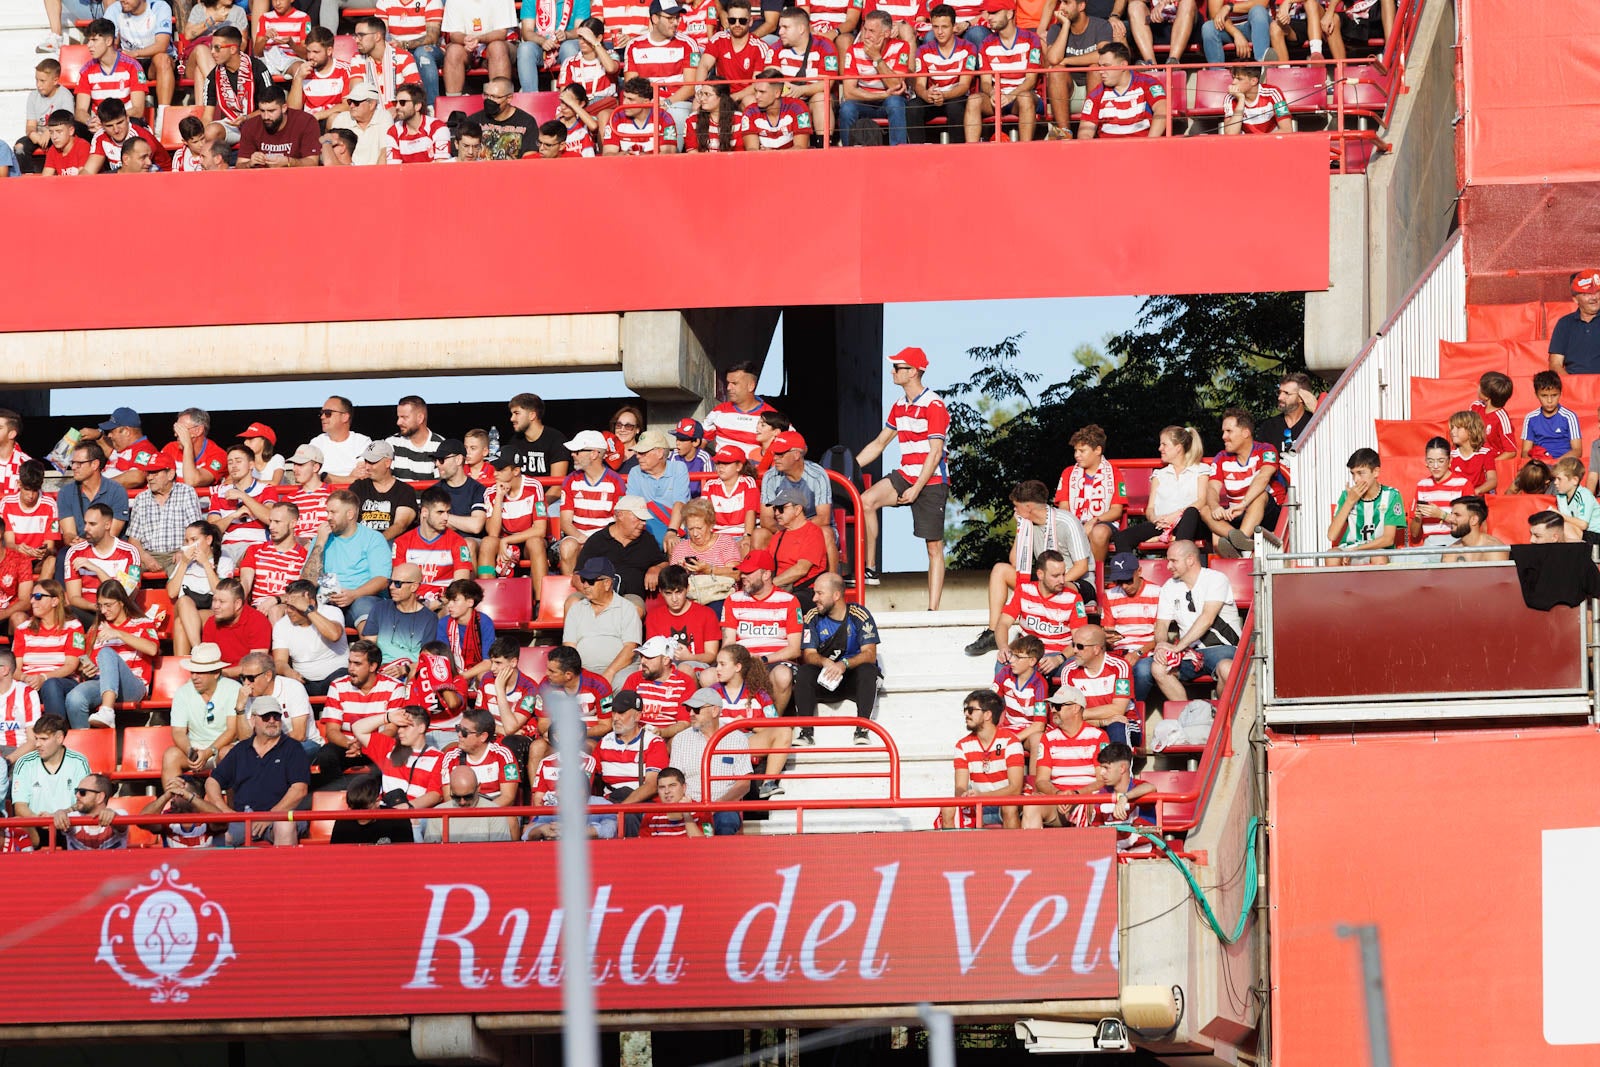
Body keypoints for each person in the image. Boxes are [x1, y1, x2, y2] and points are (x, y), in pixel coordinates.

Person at [856, 346, 949, 605]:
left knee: (933, 547)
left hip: (931, 480)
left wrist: (916, 489)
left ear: (914, 372)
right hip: (905, 473)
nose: (893, 371)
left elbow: (935, 453)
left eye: (898, 367)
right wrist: (848, 466)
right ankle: (871, 568)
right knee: (866, 500)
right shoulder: (899, 405)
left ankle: (933, 610)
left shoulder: (934, 404)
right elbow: (879, 443)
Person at [1141, 540, 1240, 708]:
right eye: (1168, 560)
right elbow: (1162, 624)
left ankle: (1223, 719)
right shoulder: (1169, 586)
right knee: (1158, 668)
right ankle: (1188, 715)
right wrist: (1162, 645)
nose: (1168, 566)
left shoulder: (1216, 579)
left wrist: (1178, 648)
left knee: (1226, 668)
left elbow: (1207, 618)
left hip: (1223, 648)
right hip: (1190, 652)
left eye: (1173, 561)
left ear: (1190, 560)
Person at [203, 696, 310, 847]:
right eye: (266, 716)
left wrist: (269, 816)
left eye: (276, 716)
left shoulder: (293, 748)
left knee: (285, 826)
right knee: (219, 834)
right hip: (243, 819)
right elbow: (212, 782)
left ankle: (284, 870)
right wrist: (224, 810)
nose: (272, 720)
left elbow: (299, 790)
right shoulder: (240, 750)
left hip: (280, 817)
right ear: (253, 720)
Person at [793, 573, 879, 747]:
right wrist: (825, 662)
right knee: (804, 672)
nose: (814, 598)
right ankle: (806, 732)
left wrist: (844, 664)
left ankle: (862, 729)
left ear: (836, 595)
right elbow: (808, 654)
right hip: (825, 679)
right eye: (814, 593)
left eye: (819, 593)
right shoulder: (812, 616)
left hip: (852, 680)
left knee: (868, 670)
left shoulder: (859, 614)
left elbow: (870, 653)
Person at [718, 549, 802, 716]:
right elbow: (728, 644)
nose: (743, 576)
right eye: (743, 571)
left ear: (766, 575)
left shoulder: (789, 601)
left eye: (749, 572)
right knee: (707, 677)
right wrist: (739, 662)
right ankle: (726, 723)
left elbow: (794, 649)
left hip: (775, 661)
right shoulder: (733, 600)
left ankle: (772, 723)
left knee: (783, 675)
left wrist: (763, 659)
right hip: (741, 661)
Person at [66, 582, 156, 730]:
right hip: (103, 683)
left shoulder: (143, 623)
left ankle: (107, 711)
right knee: (74, 698)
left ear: (121, 602)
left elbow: (152, 649)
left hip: (133, 686)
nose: (103, 610)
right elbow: (91, 663)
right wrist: (88, 670)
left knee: (107, 652)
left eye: (108, 605)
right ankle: (83, 749)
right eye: (100, 606)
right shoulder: (97, 629)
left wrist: (119, 633)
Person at [1203, 407, 1288, 557]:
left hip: (1269, 513)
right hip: (1237, 514)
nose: (1223, 436)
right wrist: (1215, 507)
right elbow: (1212, 489)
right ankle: (1238, 540)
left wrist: (1244, 504)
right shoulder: (1221, 457)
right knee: (1205, 509)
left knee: (1260, 496)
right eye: (1223, 432)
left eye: (1229, 431)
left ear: (1245, 433)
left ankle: (1240, 546)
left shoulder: (1266, 449)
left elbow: (1263, 477)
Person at [303, 489, 393, 628]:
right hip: (326, 601)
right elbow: (307, 582)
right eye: (327, 512)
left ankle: (367, 650)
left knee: (364, 609)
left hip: (362, 598)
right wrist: (320, 543)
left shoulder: (373, 538)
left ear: (350, 514)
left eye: (333, 512)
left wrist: (354, 594)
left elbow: (382, 580)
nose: (328, 517)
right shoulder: (321, 539)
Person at [1113, 426, 1210, 554]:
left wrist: (1175, 516)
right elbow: (1150, 509)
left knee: (1191, 513)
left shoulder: (1200, 469)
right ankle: (1129, 572)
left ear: (1178, 448)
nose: (1160, 449)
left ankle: (1178, 554)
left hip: (1189, 523)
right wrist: (1156, 520)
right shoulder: (1159, 475)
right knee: (1122, 537)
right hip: (1163, 524)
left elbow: (1202, 500)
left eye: (1164, 445)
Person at [1021, 685, 1107, 829]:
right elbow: (1041, 780)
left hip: (1087, 799)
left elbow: (1102, 780)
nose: (1053, 710)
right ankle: (1033, 851)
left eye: (1058, 706)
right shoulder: (1048, 738)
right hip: (1057, 801)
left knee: (1092, 806)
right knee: (1031, 805)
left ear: (1075, 708)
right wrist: (1059, 794)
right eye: (1052, 705)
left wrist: (1076, 794)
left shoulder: (1098, 736)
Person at [708, 644, 788, 797]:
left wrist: (747, 724)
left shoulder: (760, 694)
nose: (717, 669)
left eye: (722, 664)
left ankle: (768, 784)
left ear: (738, 667)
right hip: (718, 745)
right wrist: (729, 727)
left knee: (784, 731)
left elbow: (774, 726)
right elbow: (699, 725)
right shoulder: (710, 693)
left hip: (748, 744)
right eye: (717, 664)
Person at [670, 688, 752, 835]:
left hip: (724, 807)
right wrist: (687, 807)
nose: (691, 714)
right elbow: (674, 780)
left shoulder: (737, 738)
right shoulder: (680, 739)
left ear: (715, 711)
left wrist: (715, 806)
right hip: (690, 805)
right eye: (689, 709)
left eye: (696, 709)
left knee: (726, 819)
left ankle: (721, 858)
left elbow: (744, 783)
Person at [994, 550, 1086, 681]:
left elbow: (1080, 639)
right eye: (1055, 576)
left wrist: (1059, 658)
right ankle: (999, 701)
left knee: (1079, 666)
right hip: (1028, 654)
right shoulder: (1023, 590)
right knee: (1003, 662)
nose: (1062, 580)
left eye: (1063, 574)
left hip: (1061, 656)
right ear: (1040, 574)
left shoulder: (1074, 598)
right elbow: (1003, 623)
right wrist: (1003, 647)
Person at [318, 640, 404, 777]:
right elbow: (332, 730)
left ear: (372, 666)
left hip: (377, 745)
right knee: (326, 755)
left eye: (357, 664)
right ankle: (338, 794)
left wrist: (365, 745)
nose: (351, 668)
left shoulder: (394, 687)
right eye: (350, 662)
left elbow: (391, 730)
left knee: (390, 753)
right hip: (347, 744)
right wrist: (351, 745)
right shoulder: (337, 686)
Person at [161, 642, 242, 785]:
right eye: (193, 672)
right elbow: (178, 732)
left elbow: (232, 731)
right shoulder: (182, 692)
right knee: (170, 756)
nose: (194, 677)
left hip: (223, 747)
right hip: (195, 748)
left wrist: (208, 752)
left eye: (200, 672)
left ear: (216, 673)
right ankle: (173, 803)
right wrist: (190, 751)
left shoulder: (233, 689)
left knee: (228, 754)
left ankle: (231, 805)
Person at [963, 0, 1042, 145]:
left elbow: (1031, 80)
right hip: (997, 99)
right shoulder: (985, 43)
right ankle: (971, 153)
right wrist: (993, 93)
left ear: (1010, 13)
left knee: (1025, 97)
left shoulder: (1032, 39)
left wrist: (1011, 95)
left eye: (994, 13)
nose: (989, 17)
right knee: (973, 100)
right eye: (988, 13)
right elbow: (986, 82)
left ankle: (1026, 150)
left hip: (1022, 97)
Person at [942, 689, 1023, 830]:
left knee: (1009, 806)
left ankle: (1014, 851)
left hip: (1003, 802)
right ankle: (954, 851)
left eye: (971, 710)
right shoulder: (962, 745)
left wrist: (982, 796)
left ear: (987, 715)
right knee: (948, 808)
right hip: (977, 803)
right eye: (966, 710)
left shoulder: (1011, 741)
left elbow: (1015, 789)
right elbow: (960, 787)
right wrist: (965, 795)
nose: (966, 714)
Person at [11, 715, 93, 849]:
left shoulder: (79, 761)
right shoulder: (24, 763)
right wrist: (39, 820)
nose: (37, 744)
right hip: (35, 826)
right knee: (16, 824)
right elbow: (20, 807)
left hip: (69, 825)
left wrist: (60, 815)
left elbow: (85, 802)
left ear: (59, 738)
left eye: (43, 739)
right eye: (36, 738)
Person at [523, 724, 617, 841]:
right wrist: (543, 828)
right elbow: (538, 799)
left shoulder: (588, 761)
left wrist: (574, 831)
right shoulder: (545, 762)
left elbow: (610, 829)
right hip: (551, 811)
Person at [596, 690, 669, 836]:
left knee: (629, 817)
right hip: (611, 801)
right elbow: (590, 776)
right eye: (614, 712)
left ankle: (630, 856)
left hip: (639, 803)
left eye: (621, 713)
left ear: (637, 716)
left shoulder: (653, 742)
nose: (615, 718)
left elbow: (652, 785)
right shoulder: (604, 742)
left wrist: (622, 809)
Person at [349, 703, 444, 815]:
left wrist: (406, 808)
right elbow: (357, 728)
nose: (399, 731)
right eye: (399, 726)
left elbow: (435, 795)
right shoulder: (389, 746)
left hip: (415, 815)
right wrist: (388, 717)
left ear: (421, 728)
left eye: (405, 726)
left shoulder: (439, 757)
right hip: (384, 814)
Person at [558, 431, 629, 575]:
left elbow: (620, 521)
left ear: (594, 454)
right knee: (567, 546)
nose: (572, 454)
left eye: (577, 451)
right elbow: (565, 522)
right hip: (578, 537)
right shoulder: (570, 480)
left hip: (605, 538)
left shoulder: (615, 481)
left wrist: (596, 542)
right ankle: (573, 591)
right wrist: (582, 538)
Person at [13, 579, 86, 720]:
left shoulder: (74, 627)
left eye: (39, 597)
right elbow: (15, 668)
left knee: (50, 685)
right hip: (29, 682)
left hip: (62, 681)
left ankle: (56, 732)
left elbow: (71, 666)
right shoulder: (22, 629)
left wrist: (44, 678)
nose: (33, 601)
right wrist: (25, 678)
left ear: (55, 601)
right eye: (32, 597)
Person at [1053, 424, 1126, 561]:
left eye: (1082, 451)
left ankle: (1095, 574)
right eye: (1075, 451)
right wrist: (1076, 526)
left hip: (1103, 522)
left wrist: (1094, 521)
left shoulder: (1114, 473)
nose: (1077, 455)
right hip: (1073, 521)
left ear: (1097, 450)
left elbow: (1116, 510)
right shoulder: (1068, 473)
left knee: (1099, 532)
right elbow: (1064, 508)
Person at [838, 9, 911, 144]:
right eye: (865, 30)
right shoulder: (853, 50)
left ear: (886, 34)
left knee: (895, 102)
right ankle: (847, 154)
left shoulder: (901, 46)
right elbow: (849, 93)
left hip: (888, 102)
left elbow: (896, 85)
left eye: (872, 31)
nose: (866, 36)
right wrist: (883, 95)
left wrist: (876, 57)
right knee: (847, 108)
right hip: (864, 101)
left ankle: (899, 153)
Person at [438, 708, 520, 827]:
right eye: (458, 729)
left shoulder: (503, 755)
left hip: (494, 812)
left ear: (483, 737)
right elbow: (448, 798)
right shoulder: (450, 757)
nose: (459, 735)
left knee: (509, 819)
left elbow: (508, 798)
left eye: (465, 732)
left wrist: (479, 815)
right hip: (461, 812)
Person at [564, 557, 643, 682]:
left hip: (619, 670)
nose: (584, 585)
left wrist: (609, 673)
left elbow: (630, 649)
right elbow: (569, 648)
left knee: (624, 681)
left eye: (590, 581)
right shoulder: (576, 609)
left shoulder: (627, 608)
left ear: (607, 583)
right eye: (583, 580)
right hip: (583, 671)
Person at [576, 495, 668, 601]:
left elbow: (663, 562)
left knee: (634, 608)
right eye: (638, 518)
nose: (643, 523)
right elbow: (577, 576)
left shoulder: (647, 540)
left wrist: (657, 568)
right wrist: (597, 598)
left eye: (644, 520)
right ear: (620, 515)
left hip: (632, 599)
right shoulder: (597, 540)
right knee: (572, 601)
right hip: (598, 598)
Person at [62, 503, 141, 625]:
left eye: (92, 524)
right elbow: (74, 598)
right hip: (89, 613)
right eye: (85, 523)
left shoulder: (129, 553)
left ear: (107, 525)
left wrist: (97, 570)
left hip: (119, 614)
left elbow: (127, 597)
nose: (85, 528)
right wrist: (96, 607)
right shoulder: (75, 552)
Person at [1061, 622, 1138, 745]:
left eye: (1080, 646)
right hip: (1088, 724)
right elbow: (1068, 715)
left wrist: (1080, 714)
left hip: (1124, 722)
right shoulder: (1068, 671)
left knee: (1117, 726)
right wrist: (1101, 722)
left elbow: (1118, 710)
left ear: (1096, 649)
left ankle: (1120, 764)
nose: (1074, 650)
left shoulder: (1119, 666)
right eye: (1073, 645)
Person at [393, 488, 472, 607]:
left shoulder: (458, 542)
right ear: (424, 512)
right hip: (412, 605)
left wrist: (438, 603)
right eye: (440, 512)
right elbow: (400, 584)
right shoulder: (402, 542)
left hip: (444, 604)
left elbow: (461, 585)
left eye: (447, 512)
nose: (446, 517)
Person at [127, 454, 203, 577]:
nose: (150, 478)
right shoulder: (141, 498)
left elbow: (196, 531)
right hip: (148, 554)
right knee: (126, 574)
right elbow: (133, 539)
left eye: (155, 473)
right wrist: (144, 556)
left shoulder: (186, 492)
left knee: (185, 571)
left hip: (177, 553)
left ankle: (182, 596)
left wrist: (183, 551)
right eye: (148, 473)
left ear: (170, 474)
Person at [198, 24, 273, 147]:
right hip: (233, 124)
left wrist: (247, 118)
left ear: (233, 49)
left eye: (217, 48)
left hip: (261, 122)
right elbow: (207, 116)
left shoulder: (258, 68)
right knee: (210, 132)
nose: (212, 52)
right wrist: (200, 139)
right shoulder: (213, 76)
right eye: (211, 47)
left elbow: (272, 106)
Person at [910, 4, 976, 143]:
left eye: (944, 27)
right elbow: (919, 85)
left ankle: (957, 154)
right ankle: (916, 154)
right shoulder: (923, 50)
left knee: (955, 107)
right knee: (913, 107)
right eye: (935, 27)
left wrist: (944, 95)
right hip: (932, 98)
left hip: (956, 96)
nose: (940, 32)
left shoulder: (968, 48)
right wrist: (926, 94)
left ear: (954, 27)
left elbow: (964, 85)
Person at [271, 580, 348, 696]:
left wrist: (308, 610)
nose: (288, 611)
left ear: (310, 603)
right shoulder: (281, 625)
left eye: (294, 606)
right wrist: (288, 671)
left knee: (343, 679)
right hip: (303, 680)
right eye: (287, 605)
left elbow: (334, 635)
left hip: (336, 675)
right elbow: (279, 661)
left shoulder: (332, 612)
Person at [1328, 447, 1405, 564]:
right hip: (1350, 549)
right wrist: (1349, 502)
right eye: (1353, 474)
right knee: (1331, 556)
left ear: (1376, 472)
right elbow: (1332, 535)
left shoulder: (1391, 495)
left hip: (1377, 550)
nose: (1356, 479)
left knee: (1378, 558)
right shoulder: (1347, 495)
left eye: (1361, 473)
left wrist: (1356, 550)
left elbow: (1388, 539)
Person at [769, 7, 839, 136]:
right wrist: (786, 89)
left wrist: (801, 91)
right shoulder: (776, 47)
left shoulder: (825, 46)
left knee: (821, 98)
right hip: (784, 98)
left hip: (812, 98)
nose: (780, 32)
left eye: (785, 27)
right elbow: (770, 79)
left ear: (801, 29)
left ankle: (823, 148)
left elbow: (826, 83)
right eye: (780, 27)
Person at [1077, 44, 1169, 141]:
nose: (1100, 71)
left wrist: (1149, 144)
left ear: (1123, 66)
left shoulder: (1149, 83)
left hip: (1143, 149)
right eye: (1100, 66)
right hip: (1108, 152)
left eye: (1106, 66)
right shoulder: (1095, 95)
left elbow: (1162, 110)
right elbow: (1085, 133)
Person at [480, 456, 550, 583]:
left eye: (500, 469)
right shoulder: (490, 492)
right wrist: (499, 497)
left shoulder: (534, 486)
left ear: (516, 471)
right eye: (495, 469)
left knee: (535, 543)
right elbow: (493, 533)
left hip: (527, 542)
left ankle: (541, 600)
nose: (495, 474)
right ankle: (486, 596)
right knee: (487, 543)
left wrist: (507, 540)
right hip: (504, 545)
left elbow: (540, 530)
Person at [168, 520, 233, 657]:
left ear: (208, 539)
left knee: (181, 624)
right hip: (186, 606)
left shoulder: (224, 561)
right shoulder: (184, 562)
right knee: (184, 601)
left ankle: (184, 668)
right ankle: (198, 649)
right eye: (186, 541)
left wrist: (205, 564)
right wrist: (184, 564)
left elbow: (222, 594)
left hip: (211, 610)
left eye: (194, 540)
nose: (189, 545)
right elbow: (172, 592)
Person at [361, 563, 437, 672]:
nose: (391, 587)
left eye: (398, 584)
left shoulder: (430, 618)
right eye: (390, 582)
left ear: (414, 586)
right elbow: (368, 648)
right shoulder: (380, 608)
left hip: (411, 673)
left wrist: (404, 670)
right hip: (380, 671)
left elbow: (427, 659)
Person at [233, 656, 317, 754]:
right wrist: (240, 709)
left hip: (305, 743)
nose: (246, 683)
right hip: (264, 747)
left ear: (268, 675)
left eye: (251, 678)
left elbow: (299, 735)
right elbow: (244, 739)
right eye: (242, 678)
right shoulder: (246, 696)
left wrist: (266, 747)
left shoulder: (293, 688)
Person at [618, 634, 696, 740]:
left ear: (666, 660)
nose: (642, 661)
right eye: (641, 656)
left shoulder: (684, 682)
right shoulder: (634, 679)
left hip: (667, 738)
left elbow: (684, 723)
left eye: (649, 657)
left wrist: (661, 732)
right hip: (636, 737)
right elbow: (623, 714)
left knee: (677, 742)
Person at [698, 0, 772, 108]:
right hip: (720, 95)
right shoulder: (718, 39)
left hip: (745, 96)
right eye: (732, 20)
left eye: (742, 21)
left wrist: (734, 97)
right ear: (728, 21)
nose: (737, 24)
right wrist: (700, 90)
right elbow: (703, 65)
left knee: (750, 102)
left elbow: (757, 84)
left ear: (750, 21)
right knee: (697, 104)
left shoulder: (759, 47)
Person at [645, 564, 722, 668]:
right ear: (661, 592)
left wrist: (690, 657)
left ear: (688, 588)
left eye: (679, 592)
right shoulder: (654, 617)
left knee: (684, 668)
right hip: (665, 669)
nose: (674, 599)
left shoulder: (707, 614)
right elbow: (653, 652)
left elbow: (711, 655)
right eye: (668, 593)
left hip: (697, 667)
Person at [76, 19, 151, 125]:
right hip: (98, 125)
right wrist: (90, 122)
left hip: (125, 123)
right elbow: (80, 111)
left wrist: (109, 122)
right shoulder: (86, 70)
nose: (89, 45)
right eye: (88, 40)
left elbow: (138, 110)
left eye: (94, 40)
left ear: (108, 41)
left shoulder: (133, 66)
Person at [534, 644, 615, 740]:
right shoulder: (545, 686)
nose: (546, 673)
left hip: (589, 737)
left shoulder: (599, 686)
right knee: (537, 748)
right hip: (557, 736)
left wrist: (579, 734)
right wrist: (552, 734)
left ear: (568, 675)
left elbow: (606, 725)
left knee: (589, 746)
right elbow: (543, 723)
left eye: (552, 671)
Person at [241, 503, 309, 617]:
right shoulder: (255, 550)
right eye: (270, 521)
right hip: (257, 609)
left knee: (275, 611)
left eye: (277, 522)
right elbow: (245, 584)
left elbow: (303, 592)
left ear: (293, 523)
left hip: (287, 608)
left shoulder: (304, 557)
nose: (271, 527)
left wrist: (276, 599)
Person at [704, 362, 780, 462]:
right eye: (728, 383)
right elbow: (698, 442)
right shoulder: (718, 411)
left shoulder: (772, 416)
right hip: (721, 474)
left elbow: (799, 447)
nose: (728, 388)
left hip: (756, 474)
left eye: (734, 384)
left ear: (751, 386)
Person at [57, 443, 130, 546]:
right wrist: (74, 540)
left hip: (109, 551)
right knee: (60, 558)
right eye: (73, 462)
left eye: (79, 463)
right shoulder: (65, 493)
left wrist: (87, 545)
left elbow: (112, 534)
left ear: (95, 464)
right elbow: (69, 533)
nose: (73, 467)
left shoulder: (117, 491)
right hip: (77, 549)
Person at [769, 487, 827, 612]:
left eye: (781, 508)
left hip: (806, 591)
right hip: (781, 589)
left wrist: (770, 586)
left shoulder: (813, 533)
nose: (776, 513)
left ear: (797, 509)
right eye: (775, 509)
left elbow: (801, 569)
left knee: (787, 606)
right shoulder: (777, 537)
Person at [424, 764, 516, 842]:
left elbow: (498, 855)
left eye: (468, 797)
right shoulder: (437, 814)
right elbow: (431, 854)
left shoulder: (495, 814)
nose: (462, 802)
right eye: (456, 797)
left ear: (478, 788)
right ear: (451, 790)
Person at [235, 84, 320, 166]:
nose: (266, 117)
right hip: (263, 177)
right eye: (262, 111)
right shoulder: (251, 126)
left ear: (284, 108)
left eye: (271, 111)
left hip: (296, 177)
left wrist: (289, 162)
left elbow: (312, 162)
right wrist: (250, 163)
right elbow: (240, 164)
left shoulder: (306, 122)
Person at [200, 578, 271, 675]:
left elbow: (256, 666)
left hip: (248, 681)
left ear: (237, 604)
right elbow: (207, 660)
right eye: (214, 600)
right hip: (218, 679)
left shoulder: (258, 621)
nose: (215, 606)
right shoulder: (211, 623)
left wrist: (220, 674)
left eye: (222, 602)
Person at [3, 461, 60, 582]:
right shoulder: (7, 503)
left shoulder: (50, 505)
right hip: (14, 558)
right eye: (27, 489)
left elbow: (50, 546)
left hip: (37, 561)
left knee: (52, 561)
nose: (31, 495)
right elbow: (8, 542)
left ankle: (37, 596)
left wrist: (43, 552)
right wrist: (18, 548)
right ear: (19, 484)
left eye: (35, 490)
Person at [1410, 437, 1471, 549]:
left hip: (1456, 542)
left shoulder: (1463, 484)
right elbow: (1414, 533)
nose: (1435, 466)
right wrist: (1418, 518)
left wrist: (1441, 515)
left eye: (1441, 461)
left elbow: (1469, 524)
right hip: (1430, 544)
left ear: (1450, 460)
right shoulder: (1422, 485)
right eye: (1430, 461)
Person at [351, 441, 419, 542]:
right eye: (366, 461)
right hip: (360, 546)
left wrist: (376, 543)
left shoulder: (405, 491)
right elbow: (347, 516)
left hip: (392, 548)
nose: (367, 467)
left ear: (387, 462)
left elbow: (400, 525)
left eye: (372, 462)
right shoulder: (358, 487)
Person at [437, 579, 495, 685]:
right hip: (452, 672)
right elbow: (443, 658)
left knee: (484, 676)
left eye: (455, 600)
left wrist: (462, 677)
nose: (449, 605)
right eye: (449, 600)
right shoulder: (443, 623)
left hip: (476, 672)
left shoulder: (484, 622)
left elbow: (488, 662)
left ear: (470, 602)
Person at [602, 75, 679, 154]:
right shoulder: (616, 117)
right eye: (624, 97)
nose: (624, 103)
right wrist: (624, 156)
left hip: (654, 166)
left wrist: (643, 159)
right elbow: (608, 153)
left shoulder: (664, 118)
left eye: (631, 99)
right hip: (625, 165)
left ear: (646, 102)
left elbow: (668, 154)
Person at [140, 777, 226, 848]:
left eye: (179, 794)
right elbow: (142, 822)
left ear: (195, 796)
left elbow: (221, 821)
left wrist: (189, 797)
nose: (173, 799)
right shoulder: (168, 816)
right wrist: (166, 795)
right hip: (175, 867)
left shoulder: (207, 818)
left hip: (205, 866)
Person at [428, 440, 490, 538]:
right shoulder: (434, 491)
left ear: (458, 460)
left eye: (441, 460)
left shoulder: (477, 489)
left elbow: (476, 526)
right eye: (435, 460)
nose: (437, 464)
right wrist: (464, 523)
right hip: (441, 542)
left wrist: (442, 517)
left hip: (468, 544)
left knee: (469, 544)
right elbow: (428, 523)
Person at [505, 392, 571, 483]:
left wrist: (539, 498)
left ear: (532, 415)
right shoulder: (515, 441)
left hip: (548, 496)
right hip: (522, 496)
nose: (512, 419)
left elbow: (557, 485)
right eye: (512, 414)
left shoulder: (556, 440)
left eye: (517, 413)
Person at [1521, 371, 1583, 466]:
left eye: (1554, 395)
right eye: (1544, 396)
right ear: (1536, 395)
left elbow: (1577, 450)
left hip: (1563, 464)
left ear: (1560, 394)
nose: (1549, 401)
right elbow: (1525, 452)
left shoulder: (1569, 416)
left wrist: (1555, 463)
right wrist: (1537, 464)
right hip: (1540, 465)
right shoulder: (1530, 418)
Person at [327, 772, 407, 844]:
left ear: (377, 801)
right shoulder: (342, 822)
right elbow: (335, 855)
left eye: (364, 809)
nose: (360, 814)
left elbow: (406, 855)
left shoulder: (397, 819)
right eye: (355, 809)